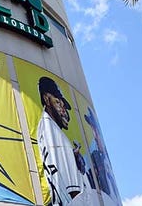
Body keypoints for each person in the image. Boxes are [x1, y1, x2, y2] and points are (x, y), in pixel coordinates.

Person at [36, 76, 91, 205]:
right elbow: (75, 194)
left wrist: (72, 155)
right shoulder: (52, 131)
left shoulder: (47, 127)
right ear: (46, 99)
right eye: (58, 102)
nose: (63, 110)